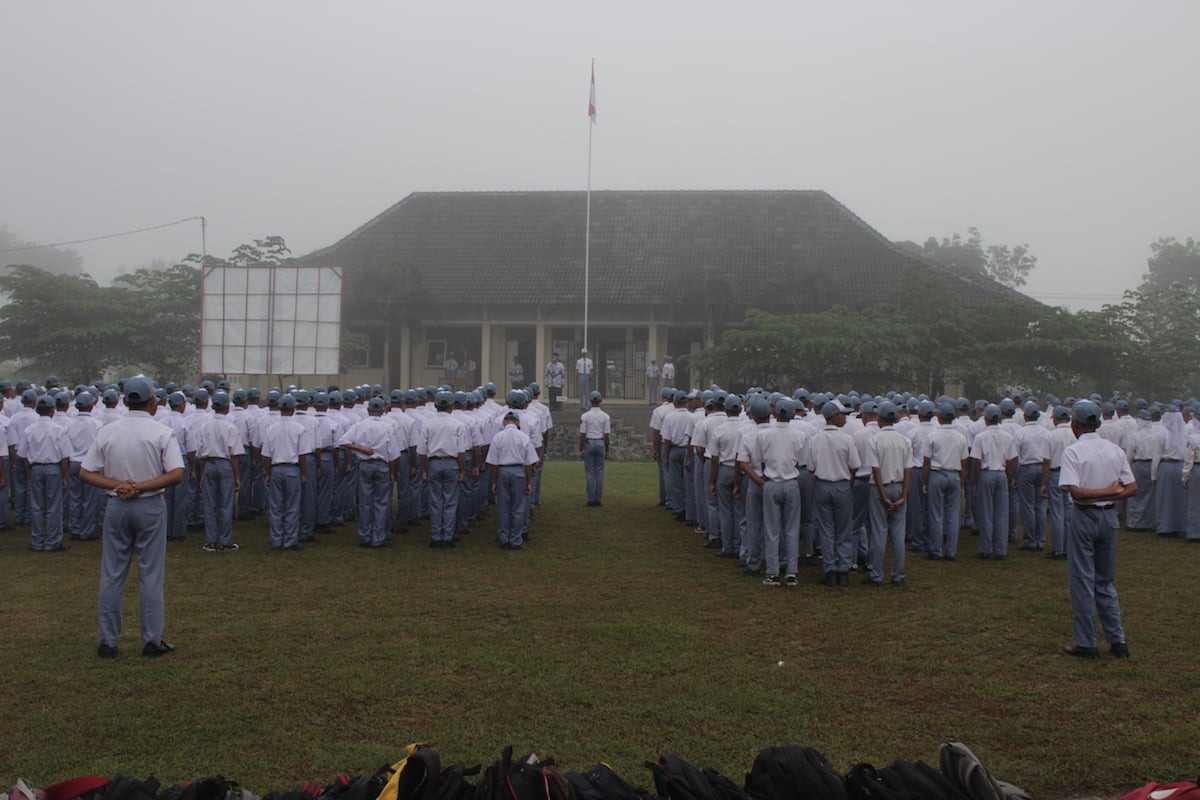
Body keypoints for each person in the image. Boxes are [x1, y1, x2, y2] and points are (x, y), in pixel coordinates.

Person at [80, 376, 185, 659]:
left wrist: (117, 485)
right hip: (149, 505)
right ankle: (152, 639)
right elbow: (176, 473)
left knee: (112, 573)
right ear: (153, 401)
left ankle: (107, 641)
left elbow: (86, 471)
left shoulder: (108, 431)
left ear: (126, 400)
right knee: (150, 574)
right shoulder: (161, 432)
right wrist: (141, 486)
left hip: (116, 504)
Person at [1058, 400, 1137, 659]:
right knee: (1105, 581)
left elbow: (1077, 493)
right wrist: (1112, 493)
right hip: (1109, 517)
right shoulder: (1114, 450)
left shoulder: (1074, 451)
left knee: (1082, 580)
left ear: (1076, 424)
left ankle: (1087, 642)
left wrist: (1101, 494)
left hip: (1084, 517)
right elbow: (1131, 488)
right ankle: (1117, 640)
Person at [21, 394, 71, 552]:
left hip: (35, 468)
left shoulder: (29, 430)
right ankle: (52, 541)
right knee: (54, 506)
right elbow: (64, 457)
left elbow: (24, 456)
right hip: (53, 468)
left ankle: (37, 541)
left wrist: (29, 475)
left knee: (36, 506)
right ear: (52, 410)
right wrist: (64, 476)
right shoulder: (58, 429)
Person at [196, 391, 243, 552]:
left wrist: (203, 474)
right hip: (225, 464)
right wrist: (237, 476)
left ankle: (211, 540)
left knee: (210, 503)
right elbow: (234, 453)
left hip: (209, 464)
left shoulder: (205, 426)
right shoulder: (230, 427)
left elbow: (201, 452)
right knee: (226, 503)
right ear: (227, 407)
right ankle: (225, 540)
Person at [486, 411, 539, 549]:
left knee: (503, 507)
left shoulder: (497, 437)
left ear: (504, 422)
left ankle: (504, 537)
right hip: (519, 472)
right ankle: (516, 538)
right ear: (518, 422)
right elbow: (529, 463)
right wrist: (528, 482)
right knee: (519, 507)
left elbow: (493, 463)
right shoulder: (524, 437)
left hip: (503, 471)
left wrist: (493, 481)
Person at [579, 390, 611, 506]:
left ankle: (590, 499)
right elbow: (606, 435)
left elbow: (582, 434)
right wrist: (607, 450)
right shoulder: (605, 416)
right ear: (601, 401)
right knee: (599, 472)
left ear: (590, 401)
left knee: (590, 472)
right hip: (600, 442)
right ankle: (598, 499)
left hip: (589, 442)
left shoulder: (585, 416)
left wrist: (581, 449)